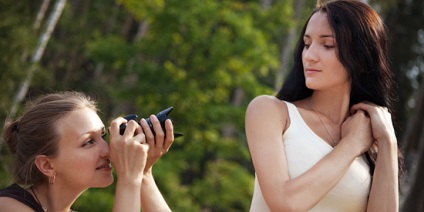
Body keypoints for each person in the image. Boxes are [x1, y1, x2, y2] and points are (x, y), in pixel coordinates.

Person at [245, 0, 403, 211]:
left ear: (361, 57)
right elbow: (284, 203)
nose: (309, 56)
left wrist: (387, 142)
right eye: (307, 44)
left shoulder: (372, 140)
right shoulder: (271, 112)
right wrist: (352, 144)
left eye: (327, 45)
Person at [0, 91, 174, 212]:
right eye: (89, 142)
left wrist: (143, 173)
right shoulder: (7, 207)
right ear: (47, 165)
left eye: (103, 136)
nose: (108, 150)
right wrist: (129, 178)